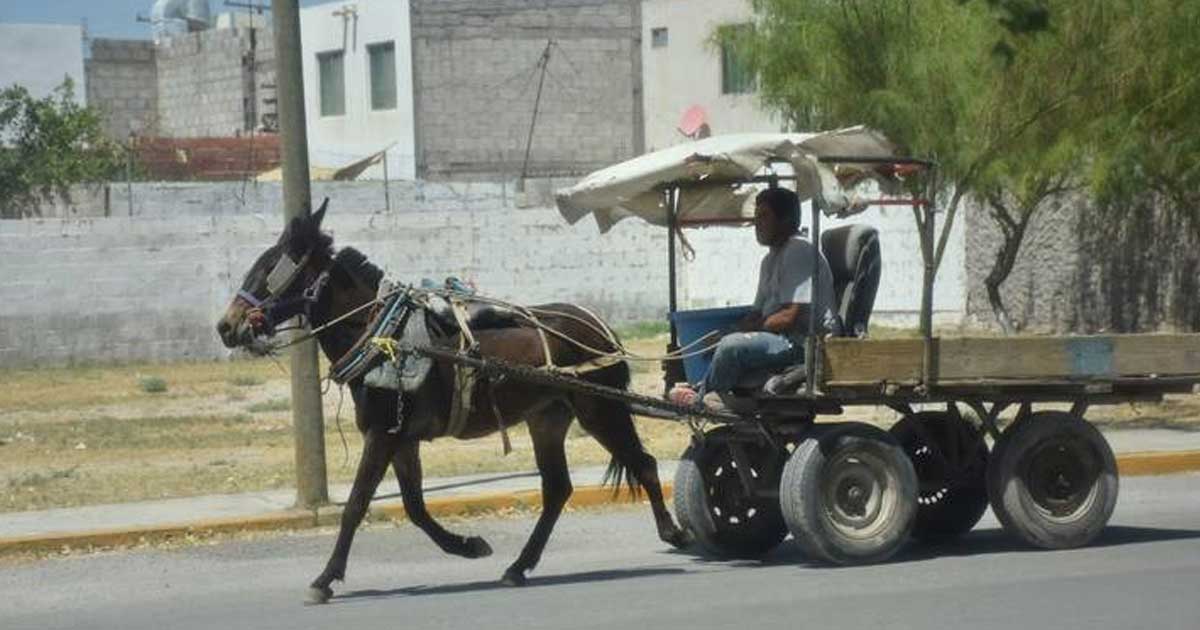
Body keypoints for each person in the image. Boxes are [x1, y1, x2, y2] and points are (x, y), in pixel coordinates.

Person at [669, 187, 840, 410]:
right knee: (720, 339)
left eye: (764, 216)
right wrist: (728, 331)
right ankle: (706, 389)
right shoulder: (770, 259)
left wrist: (736, 334)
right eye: (756, 216)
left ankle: (704, 397)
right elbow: (757, 313)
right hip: (781, 337)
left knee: (732, 346)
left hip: (804, 344)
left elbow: (789, 316)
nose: (756, 223)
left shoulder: (798, 250)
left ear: (786, 219)